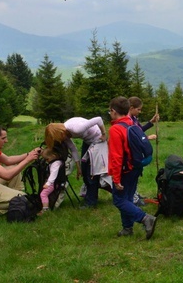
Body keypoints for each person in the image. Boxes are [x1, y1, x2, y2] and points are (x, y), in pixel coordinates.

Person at [107, 96, 157, 239]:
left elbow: (116, 157)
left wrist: (116, 179)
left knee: (119, 200)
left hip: (124, 170)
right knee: (127, 198)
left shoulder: (116, 129)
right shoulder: (131, 123)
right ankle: (127, 228)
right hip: (135, 167)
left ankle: (145, 218)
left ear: (114, 111)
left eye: (110, 111)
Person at [45, 116, 107, 209]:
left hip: (98, 141)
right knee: (85, 172)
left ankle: (91, 202)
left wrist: (104, 133)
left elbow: (98, 119)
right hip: (88, 142)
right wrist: (79, 168)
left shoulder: (76, 128)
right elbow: (73, 149)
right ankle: (90, 196)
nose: (61, 141)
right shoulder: (65, 134)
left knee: (91, 174)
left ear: (61, 132)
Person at [38, 147, 63, 214]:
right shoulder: (57, 161)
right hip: (53, 182)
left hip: (53, 183)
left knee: (43, 194)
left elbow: (53, 174)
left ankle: (45, 209)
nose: (46, 161)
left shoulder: (55, 164)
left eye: (47, 159)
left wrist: (48, 183)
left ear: (53, 156)